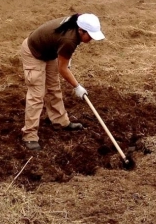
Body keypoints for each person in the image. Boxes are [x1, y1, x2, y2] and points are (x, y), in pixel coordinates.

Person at [20, 13, 105, 150]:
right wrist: (77, 87)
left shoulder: (78, 22)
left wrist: (67, 58)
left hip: (49, 52)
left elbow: (64, 59)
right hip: (34, 52)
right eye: (89, 35)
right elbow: (63, 69)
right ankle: (29, 135)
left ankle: (60, 122)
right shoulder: (69, 39)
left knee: (53, 87)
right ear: (80, 30)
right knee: (37, 94)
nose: (91, 39)